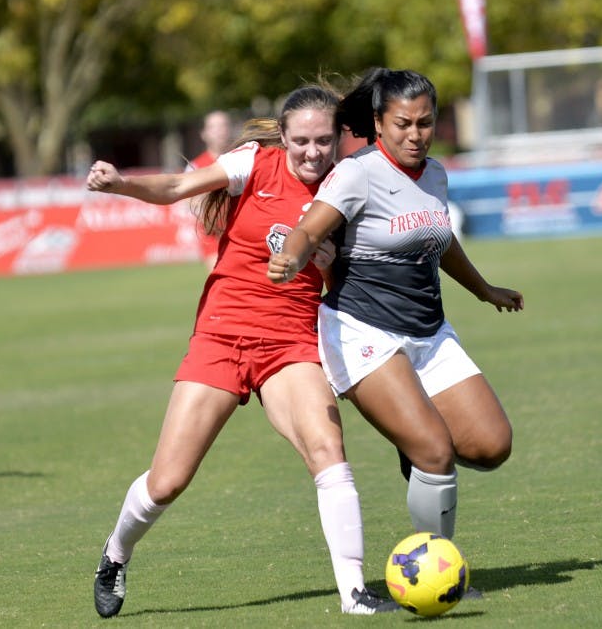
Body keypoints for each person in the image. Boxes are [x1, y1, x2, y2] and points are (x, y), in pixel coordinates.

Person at [85, 85, 399, 617]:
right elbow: (180, 184)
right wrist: (123, 185)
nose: (312, 152)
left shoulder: (350, 183)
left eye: (323, 141)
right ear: (282, 136)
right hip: (222, 335)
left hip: (291, 342)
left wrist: (327, 264)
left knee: (327, 449)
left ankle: (354, 593)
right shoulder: (253, 163)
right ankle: (115, 554)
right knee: (168, 480)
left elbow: (359, 275)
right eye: (301, 140)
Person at [268, 68, 523, 547]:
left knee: (492, 446)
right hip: (363, 330)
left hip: (428, 330)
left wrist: (484, 289)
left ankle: (417, 446)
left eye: (425, 123)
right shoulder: (356, 173)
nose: (415, 134)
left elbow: (438, 241)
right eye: (403, 124)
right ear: (379, 123)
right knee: (434, 450)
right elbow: (309, 230)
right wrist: (292, 257)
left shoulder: (436, 175)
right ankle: (434, 564)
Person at [185, 110, 235, 267]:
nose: (220, 131)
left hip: (242, 231)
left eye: (224, 125)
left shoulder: (243, 160)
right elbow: (192, 204)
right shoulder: (196, 166)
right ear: (204, 134)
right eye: (214, 127)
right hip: (213, 235)